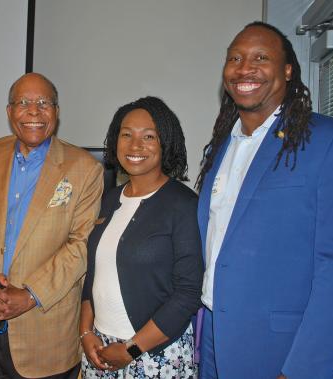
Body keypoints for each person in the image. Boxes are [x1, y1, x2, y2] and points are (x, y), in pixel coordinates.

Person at [196, 22, 333, 379]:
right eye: (235, 58)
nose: (245, 68)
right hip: (215, 339)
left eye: (261, 57)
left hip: (285, 351)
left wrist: (302, 370)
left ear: (288, 70)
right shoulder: (221, 148)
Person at [0, 72, 104, 378]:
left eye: (43, 103)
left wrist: (31, 294)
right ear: (10, 112)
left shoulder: (84, 169)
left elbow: (80, 244)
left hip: (46, 337)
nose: (33, 111)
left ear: (56, 112)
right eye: (23, 102)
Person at [80, 96, 203, 378]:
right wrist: (86, 332)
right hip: (100, 350)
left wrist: (131, 350)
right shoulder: (109, 200)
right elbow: (93, 275)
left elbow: (188, 294)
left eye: (149, 136)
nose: (136, 146)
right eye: (127, 135)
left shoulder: (183, 205)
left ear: (166, 143)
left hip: (153, 355)